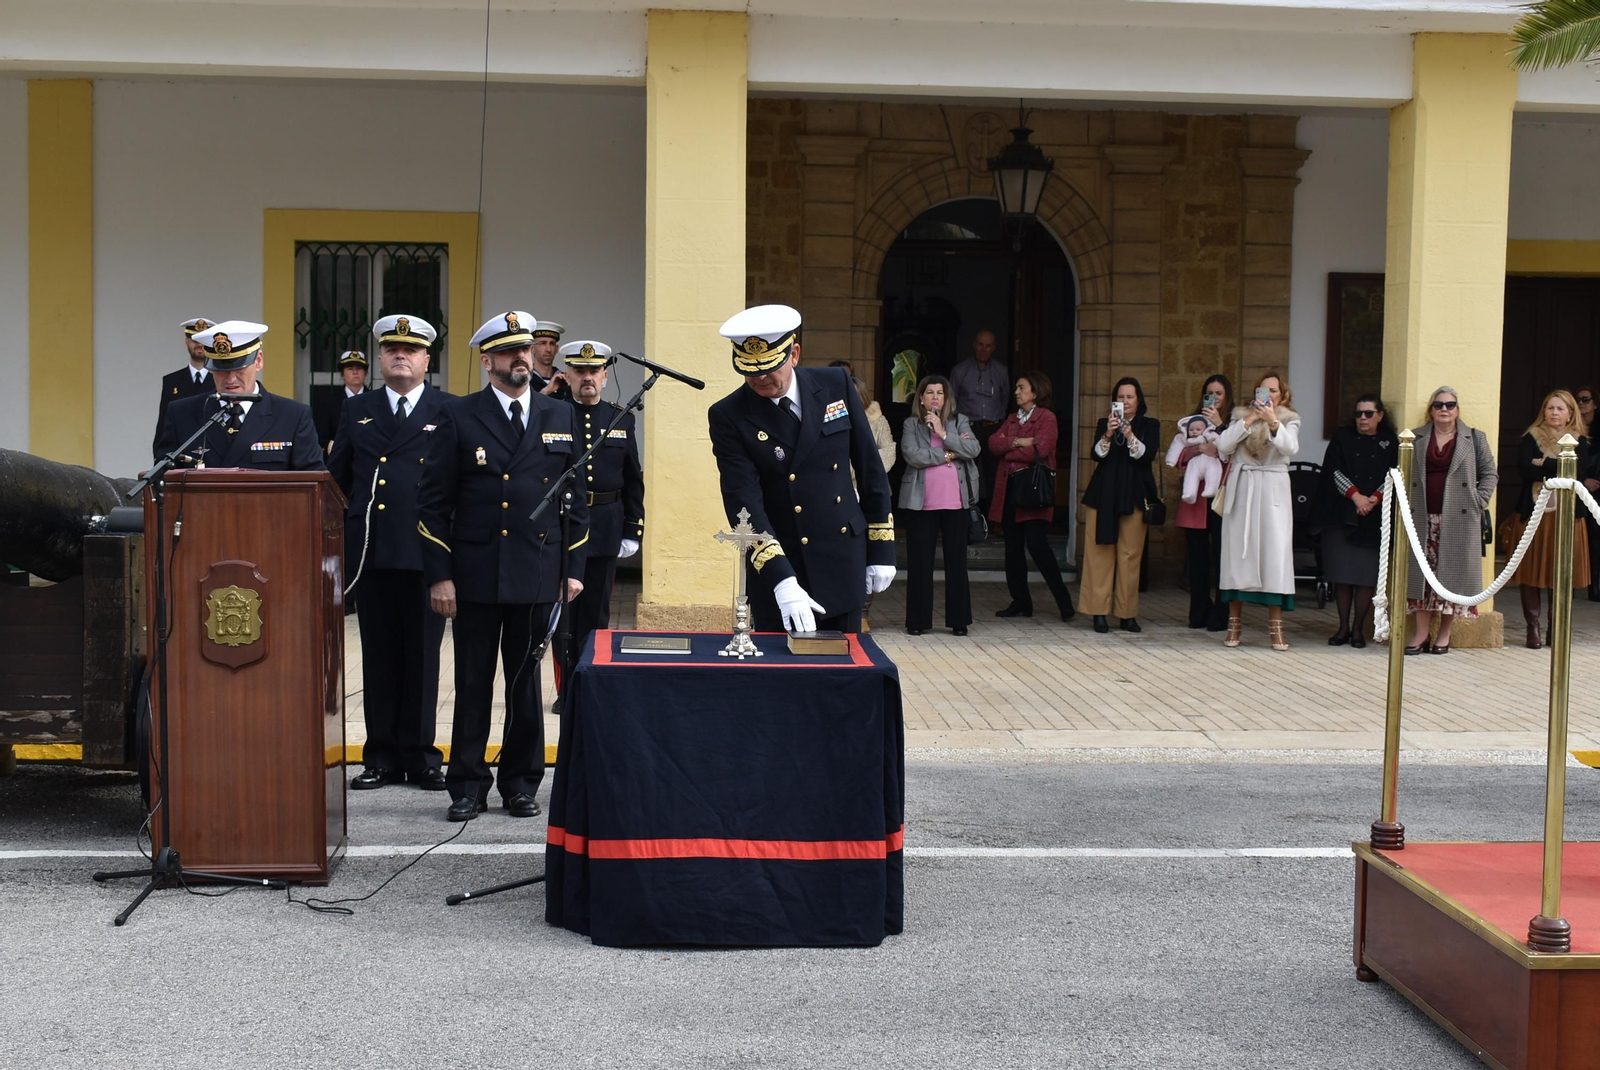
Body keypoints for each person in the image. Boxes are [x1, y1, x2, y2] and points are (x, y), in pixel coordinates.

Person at [416, 310, 590, 821]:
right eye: (509, 352)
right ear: (487, 361)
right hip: (473, 572)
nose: (522, 358)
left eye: (526, 350)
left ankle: (520, 782)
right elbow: (431, 503)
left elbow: (575, 499)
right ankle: (467, 785)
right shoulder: (459, 415)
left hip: (536, 571)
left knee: (524, 684)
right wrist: (440, 574)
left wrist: (573, 567)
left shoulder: (558, 415)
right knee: (472, 682)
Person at [707, 304, 896, 634]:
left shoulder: (835, 384)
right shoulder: (729, 415)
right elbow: (744, 503)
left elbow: (869, 467)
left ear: (794, 354)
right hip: (782, 562)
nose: (760, 378)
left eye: (769, 367)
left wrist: (881, 547)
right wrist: (782, 581)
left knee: (846, 671)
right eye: (749, 370)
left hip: (842, 556)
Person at [328, 315, 451, 792]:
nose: (401, 355)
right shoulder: (359, 410)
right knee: (378, 656)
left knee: (422, 660)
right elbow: (336, 482)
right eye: (392, 349)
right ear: (380, 358)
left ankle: (421, 756)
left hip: (425, 553)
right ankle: (379, 755)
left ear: (427, 360)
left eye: (411, 349)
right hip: (372, 553)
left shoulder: (448, 409)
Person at [554, 339, 644, 683]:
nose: (587, 377)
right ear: (568, 375)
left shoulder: (621, 418)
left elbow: (633, 478)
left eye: (594, 371)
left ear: (605, 376)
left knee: (596, 612)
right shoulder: (553, 413)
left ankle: (588, 679)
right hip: (563, 526)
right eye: (580, 371)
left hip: (605, 524)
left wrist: (633, 528)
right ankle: (565, 689)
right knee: (565, 615)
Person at [153, 321, 323, 471]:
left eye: (239, 369)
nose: (231, 379)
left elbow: (313, 484)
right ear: (210, 368)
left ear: (259, 361)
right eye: (222, 370)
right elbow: (165, 479)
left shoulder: (292, 416)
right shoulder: (182, 413)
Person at [1404, 386, 1497, 655]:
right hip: (1422, 518)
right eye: (1439, 405)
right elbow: (1402, 472)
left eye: (1450, 404)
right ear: (1431, 410)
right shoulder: (1415, 437)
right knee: (1422, 577)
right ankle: (1421, 634)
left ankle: (1444, 634)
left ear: (1457, 409)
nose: (1444, 409)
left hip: (1459, 520)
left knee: (1451, 579)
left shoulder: (1474, 438)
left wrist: (1477, 501)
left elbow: (1490, 473)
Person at [1216, 372, 1299, 650]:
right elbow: (1223, 445)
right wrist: (1250, 419)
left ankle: (1276, 629)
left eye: (1273, 391)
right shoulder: (1241, 416)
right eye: (1262, 391)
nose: (1267, 396)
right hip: (1243, 490)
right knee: (1238, 555)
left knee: (1273, 556)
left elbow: (1290, 447)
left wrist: (1272, 421)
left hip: (1273, 489)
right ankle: (1234, 625)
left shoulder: (1289, 419)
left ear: (1282, 395)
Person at [1311, 395, 1397, 648]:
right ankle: (1343, 627)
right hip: (1342, 514)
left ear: (1380, 415)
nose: (1362, 418)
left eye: (1368, 414)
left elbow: (1394, 473)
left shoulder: (1390, 441)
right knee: (1343, 575)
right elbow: (1333, 470)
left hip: (1374, 516)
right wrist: (1356, 496)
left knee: (1365, 577)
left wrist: (1374, 499)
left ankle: (1359, 629)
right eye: (1359, 413)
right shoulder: (1342, 437)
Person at [988, 371, 1074, 621]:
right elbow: (994, 443)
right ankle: (1021, 602)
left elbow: (1043, 448)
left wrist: (1010, 447)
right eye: (1016, 387)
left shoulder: (1047, 418)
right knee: (1012, 549)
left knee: (1038, 547)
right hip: (1009, 491)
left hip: (1033, 490)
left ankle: (1064, 601)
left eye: (1021, 387)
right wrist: (1019, 441)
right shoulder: (1012, 418)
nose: (1016, 391)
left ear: (1035, 392)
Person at [1508, 388, 1591, 650]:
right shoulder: (1530, 438)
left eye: (1560, 409)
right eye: (1550, 408)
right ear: (1544, 411)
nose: (1554, 413)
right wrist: (1554, 466)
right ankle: (1532, 627)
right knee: (1530, 571)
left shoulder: (1581, 442)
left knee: (1561, 572)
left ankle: (1556, 627)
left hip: (1567, 516)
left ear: (1569, 414)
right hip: (1533, 514)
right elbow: (1523, 468)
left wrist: (1542, 464)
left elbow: (1578, 471)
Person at [899, 376, 979, 636]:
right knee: (920, 564)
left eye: (940, 393)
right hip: (920, 504)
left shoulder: (959, 422)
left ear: (947, 398)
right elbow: (913, 455)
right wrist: (949, 453)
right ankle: (917, 622)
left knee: (956, 564)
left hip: (956, 502)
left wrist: (944, 434)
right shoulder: (912, 424)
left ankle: (959, 622)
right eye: (929, 392)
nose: (935, 397)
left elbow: (974, 448)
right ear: (920, 399)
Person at [1081, 377, 1160, 633]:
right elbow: (1096, 454)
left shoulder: (1150, 425)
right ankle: (1098, 613)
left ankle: (1127, 615)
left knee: (1129, 556)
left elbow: (1147, 455)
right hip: (1102, 494)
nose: (1125, 403)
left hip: (1134, 495)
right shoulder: (1105, 423)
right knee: (1099, 555)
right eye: (1121, 397)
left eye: (1130, 397)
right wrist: (1109, 433)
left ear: (1139, 400)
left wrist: (1129, 434)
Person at [829, 362, 896, 632]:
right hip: (839, 493)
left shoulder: (877, 420)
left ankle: (863, 611)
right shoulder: (831, 417)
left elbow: (888, 452)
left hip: (867, 493)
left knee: (870, 554)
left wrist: (860, 465)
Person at [1170, 376, 1233, 630]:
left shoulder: (1234, 421)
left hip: (1222, 494)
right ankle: (1198, 611)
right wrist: (1200, 449)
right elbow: (1180, 454)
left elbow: (1236, 455)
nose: (1214, 398)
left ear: (1227, 396)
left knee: (1222, 555)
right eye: (1210, 393)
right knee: (1196, 556)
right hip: (1195, 497)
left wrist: (1219, 428)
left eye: (1219, 393)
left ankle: (1222, 612)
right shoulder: (1193, 422)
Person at [949, 330, 1009, 513]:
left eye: (988, 345)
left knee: (995, 475)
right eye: (980, 344)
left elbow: (1005, 399)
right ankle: (967, 517)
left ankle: (994, 520)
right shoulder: (960, 370)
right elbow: (952, 401)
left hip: (994, 428)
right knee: (966, 474)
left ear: (994, 348)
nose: (983, 349)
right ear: (974, 345)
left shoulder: (1001, 371)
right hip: (968, 428)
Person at [152, 317, 216, 460]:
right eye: (194, 340)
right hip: (181, 455)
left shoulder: (221, 380)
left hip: (213, 454)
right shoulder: (171, 381)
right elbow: (163, 425)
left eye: (203, 341)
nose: (199, 345)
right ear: (187, 341)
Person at [314, 349, 372, 454]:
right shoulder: (328, 402)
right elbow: (320, 436)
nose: (355, 372)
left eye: (359, 368)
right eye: (350, 369)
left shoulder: (375, 400)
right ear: (342, 374)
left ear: (366, 373)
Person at [1577, 385, 1600, 601]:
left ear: (1594, 403)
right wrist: (1582, 480)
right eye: (1579, 399)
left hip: (1597, 489)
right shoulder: (1571, 428)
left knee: (1596, 536)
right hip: (1577, 488)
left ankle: (1595, 585)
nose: (1582, 403)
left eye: (1586, 399)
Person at [529, 320, 572, 401]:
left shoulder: (565, 380)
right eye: (543, 343)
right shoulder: (524, 379)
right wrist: (546, 391)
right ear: (532, 348)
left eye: (552, 344)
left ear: (556, 349)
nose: (548, 349)